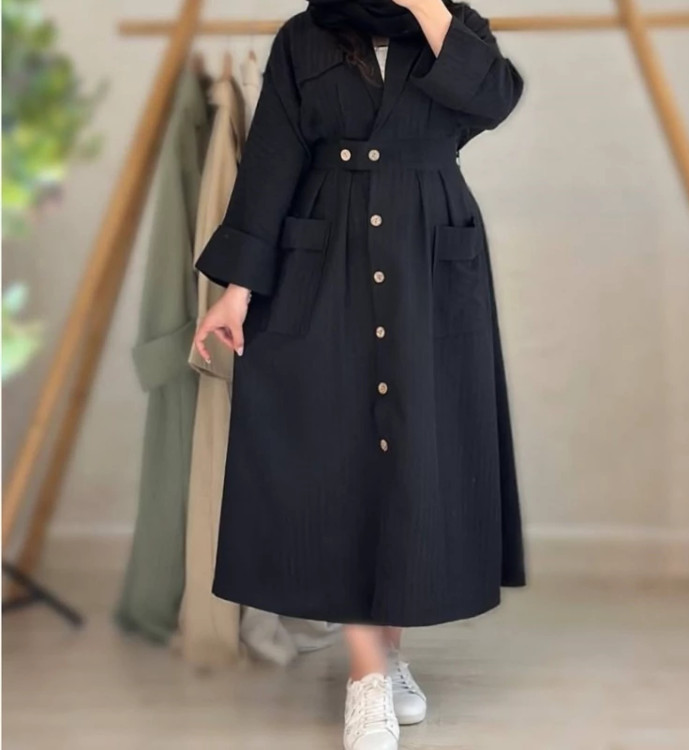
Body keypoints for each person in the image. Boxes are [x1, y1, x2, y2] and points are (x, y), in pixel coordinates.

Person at [192, 1, 526, 748]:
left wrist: (427, 6)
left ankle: (387, 657)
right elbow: (271, 158)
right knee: (339, 459)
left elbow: (493, 99)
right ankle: (367, 677)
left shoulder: (456, 25)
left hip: (428, 255)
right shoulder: (304, 36)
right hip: (323, 255)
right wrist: (238, 289)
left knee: (409, 460)